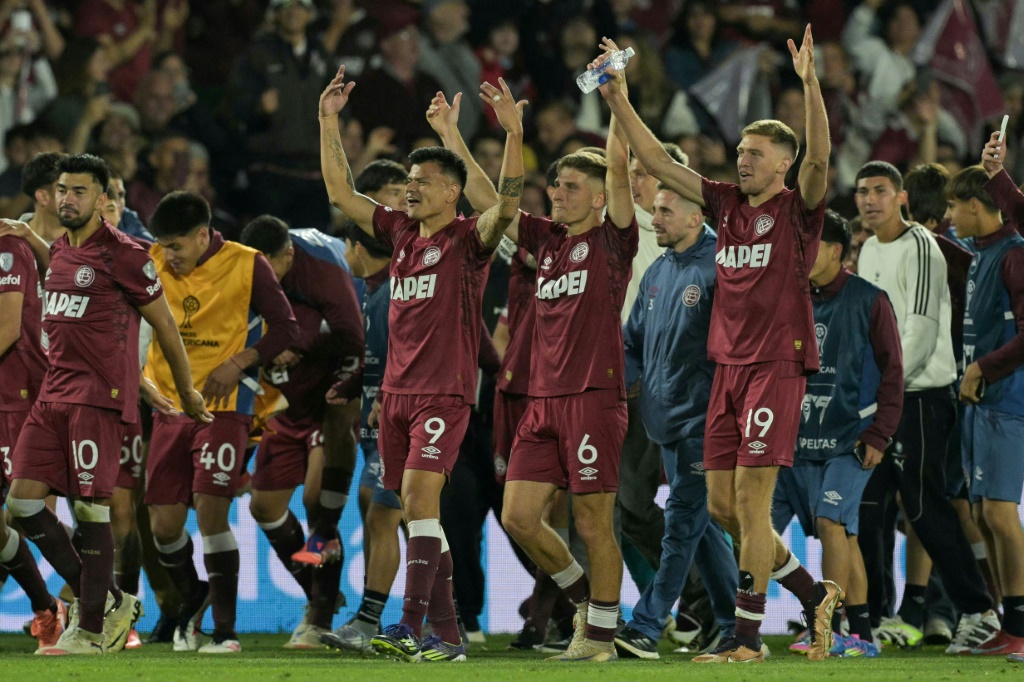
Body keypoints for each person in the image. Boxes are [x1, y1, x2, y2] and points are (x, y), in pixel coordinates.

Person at [598, 27, 841, 663]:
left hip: (774, 367)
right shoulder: (726, 204)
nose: (743, 160)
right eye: (740, 150)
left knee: (752, 506)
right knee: (724, 508)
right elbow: (657, 163)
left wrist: (810, 85)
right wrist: (618, 97)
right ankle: (814, 596)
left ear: (782, 164)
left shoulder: (797, 211)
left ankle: (747, 638)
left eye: (756, 153)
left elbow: (820, 161)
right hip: (726, 371)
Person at [317, 66, 524, 662]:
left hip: (444, 392)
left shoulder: (468, 240)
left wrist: (512, 135)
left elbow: (507, 206)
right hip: (397, 395)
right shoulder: (402, 234)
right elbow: (341, 194)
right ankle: (449, 635)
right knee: (416, 515)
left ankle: (408, 626)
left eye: (423, 181)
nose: (409, 189)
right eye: (408, 180)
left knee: (417, 502)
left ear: (452, 191)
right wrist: (328, 121)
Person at [5, 153, 210, 654]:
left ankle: (92, 629)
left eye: (79, 191)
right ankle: (113, 599)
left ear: (102, 199)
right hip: (52, 395)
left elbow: (165, 324)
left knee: (90, 509)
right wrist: (29, 236)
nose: (68, 199)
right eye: (62, 190)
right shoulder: (60, 248)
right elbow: (64, 268)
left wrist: (185, 391)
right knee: (22, 503)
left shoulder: (127, 254)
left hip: (98, 400)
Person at [494, 54, 638, 661]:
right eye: (554, 184)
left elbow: (622, 170)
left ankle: (599, 638)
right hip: (542, 399)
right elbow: (491, 201)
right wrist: (508, 135)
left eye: (570, 186)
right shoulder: (546, 242)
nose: (556, 192)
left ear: (600, 198)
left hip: (593, 398)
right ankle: (589, 609)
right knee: (519, 517)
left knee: (592, 522)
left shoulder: (612, 241)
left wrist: (614, 97)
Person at [854, 160, 1000, 654]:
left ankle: (978, 611)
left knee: (924, 507)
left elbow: (919, 331)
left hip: (919, 400)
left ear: (901, 197)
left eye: (880, 190)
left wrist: (882, 393)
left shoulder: (920, 246)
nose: (870, 200)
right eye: (862, 192)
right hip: (884, 399)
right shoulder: (869, 250)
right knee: (867, 508)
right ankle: (871, 619)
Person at [144, 191, 298, 655]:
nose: (169, 256)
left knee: (212, 512)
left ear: (201, 235)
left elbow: (286, 328)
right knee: (164, 526)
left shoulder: (248, 263)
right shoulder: (151, 260)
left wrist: (240, 361)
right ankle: (194, 595)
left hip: (224, 406)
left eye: (176, 246)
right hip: (169, 405)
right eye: (164, 246)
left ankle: (225, 631)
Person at [612, 183, 739, 660]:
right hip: (663, 420)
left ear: (694, 217)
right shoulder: (658, 270)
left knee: (682, 523)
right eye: (655, 210)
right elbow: (632, 340)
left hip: (707, 422)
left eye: (665, 211)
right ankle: (733, 626)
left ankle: (646, 625)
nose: (655, 218)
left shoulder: (721, 268)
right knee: (702, 531)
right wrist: (628, 381)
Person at [777, 209, 904, 658]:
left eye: (808, 245)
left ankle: (826, 631)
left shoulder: (870, 300)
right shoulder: (791, 297)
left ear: (835, 251)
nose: (800, 254)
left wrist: (880, 434)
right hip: (795, 440)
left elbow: (894, 372)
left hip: (850, 439)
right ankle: (861, 635)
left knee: (831, 524)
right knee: (836, 534)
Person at [239, 214, 363, 649]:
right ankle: (319, 595)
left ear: (289, 255)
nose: (263, 279)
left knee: (315, 500)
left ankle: (320, 615)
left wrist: (301, 345)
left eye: (270, 269)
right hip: (284, 402)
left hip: (328, 394)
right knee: (264, 506)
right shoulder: (244, 272)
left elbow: (355, 339)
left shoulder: (326, 276)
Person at [948, 159, 1024, 657]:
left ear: (977, 206)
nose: (950, 215)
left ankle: (1020, 627)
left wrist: (983, 369)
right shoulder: (982, 253)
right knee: (980, 510)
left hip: (1008, 398)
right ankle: (1006, 622)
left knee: (998, 511)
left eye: (955, 206)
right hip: (982, 398)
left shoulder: (1015, 255)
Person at [320, 220, 403, 654]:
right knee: (379, 508)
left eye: (345, 248)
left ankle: (373, 621)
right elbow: (379, 356)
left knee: (385, 512)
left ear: (356, 247)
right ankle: (376, 619)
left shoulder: (391, 292)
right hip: (376, 422)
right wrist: (354, 386)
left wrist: (385, 397)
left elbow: (404, 357)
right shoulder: (374, 291)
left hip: (398, 420)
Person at [0, 216, 67, 652]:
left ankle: (104, 601)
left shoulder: (7, 246)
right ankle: (47, 608)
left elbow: (7, 328)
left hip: (17, 400)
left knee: (26, 512)